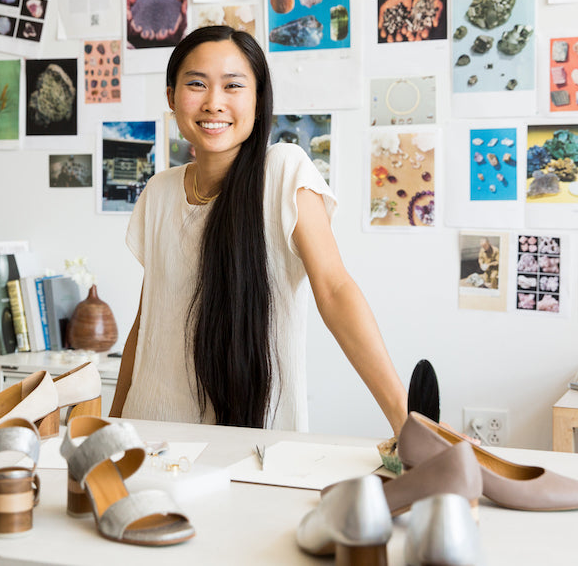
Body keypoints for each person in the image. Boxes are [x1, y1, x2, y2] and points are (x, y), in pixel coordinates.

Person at [109, 26, 407, 435]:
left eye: (233, 86)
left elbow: (335, 290)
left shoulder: (285, 170)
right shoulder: (159, 191)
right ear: (171, 98)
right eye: (196, 84)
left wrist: (404, 417)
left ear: (258, 98)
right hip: (152, 432)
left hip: (256, 439)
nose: (214, 103)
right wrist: (113, 426)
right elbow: (146, 325)